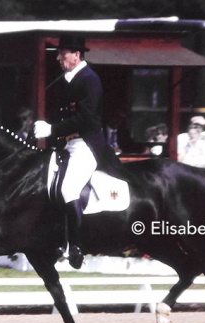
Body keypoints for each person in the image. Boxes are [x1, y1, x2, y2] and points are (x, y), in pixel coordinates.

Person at [34, 35, 121, 269]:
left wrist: (52, 128)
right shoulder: (67, 80)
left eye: (63, 53)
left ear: (76, 55)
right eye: (59, 53)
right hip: (67, 144)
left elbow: (85, 118)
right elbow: (63, 114)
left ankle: (76, 246)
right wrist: (47, 128)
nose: (59, 58)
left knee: (67, 188)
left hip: (87, 144)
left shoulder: (89, 80)